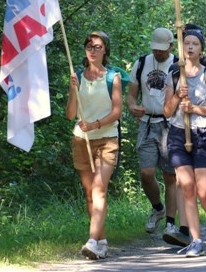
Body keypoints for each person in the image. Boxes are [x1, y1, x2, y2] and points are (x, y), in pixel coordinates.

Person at [162, 27, 206, 257]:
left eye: (194, 43)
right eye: (186, 43)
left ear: (201, 48)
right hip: (178, 133)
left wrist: (194, 107)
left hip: (204, 134)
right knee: (187, 188)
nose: (189, 47)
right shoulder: (175, 74)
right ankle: (196, 240)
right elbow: (166, 112)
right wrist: (177, 95)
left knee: (204, 191)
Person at [66, 31, 122, 260]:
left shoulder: (113, 77)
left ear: (105, 50)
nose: (92, 50)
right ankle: (101, 241)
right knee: (90, 194)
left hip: (107, 138)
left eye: (97, 47)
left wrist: (95, 124)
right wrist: (73, 89)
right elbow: (70, 114)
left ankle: (90, 241)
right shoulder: (77, 76)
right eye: (89, 46)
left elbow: (117, 112)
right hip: (81, 139)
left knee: (99, 189)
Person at [127, 28, 179, 239]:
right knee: (146, 173)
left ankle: (171, 223)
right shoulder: (141, 63)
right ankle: (158, 208)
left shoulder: (177, 65)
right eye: (155, 49)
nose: (158, 53)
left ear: (171, 47)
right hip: (147, 122)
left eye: (162, 50)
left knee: (170, 176)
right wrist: (132, 107)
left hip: (170, 124)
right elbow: (131, 96)